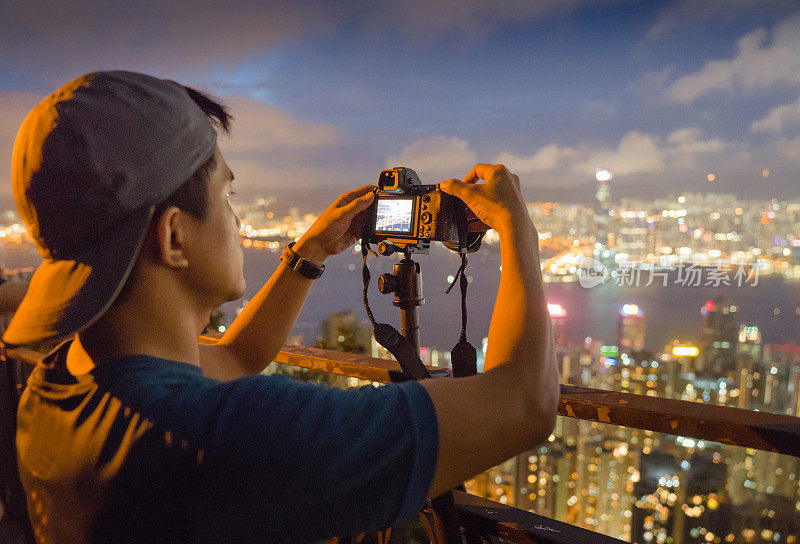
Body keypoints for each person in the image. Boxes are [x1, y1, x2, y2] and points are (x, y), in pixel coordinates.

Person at [4, 71, 559, 543]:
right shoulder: (228, 438)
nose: (237, 219)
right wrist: (518, 229)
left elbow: (238, 356)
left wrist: (308, 254)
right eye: (227, 196)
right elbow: (527, 402)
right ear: (173, 237)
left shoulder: (56, 385)